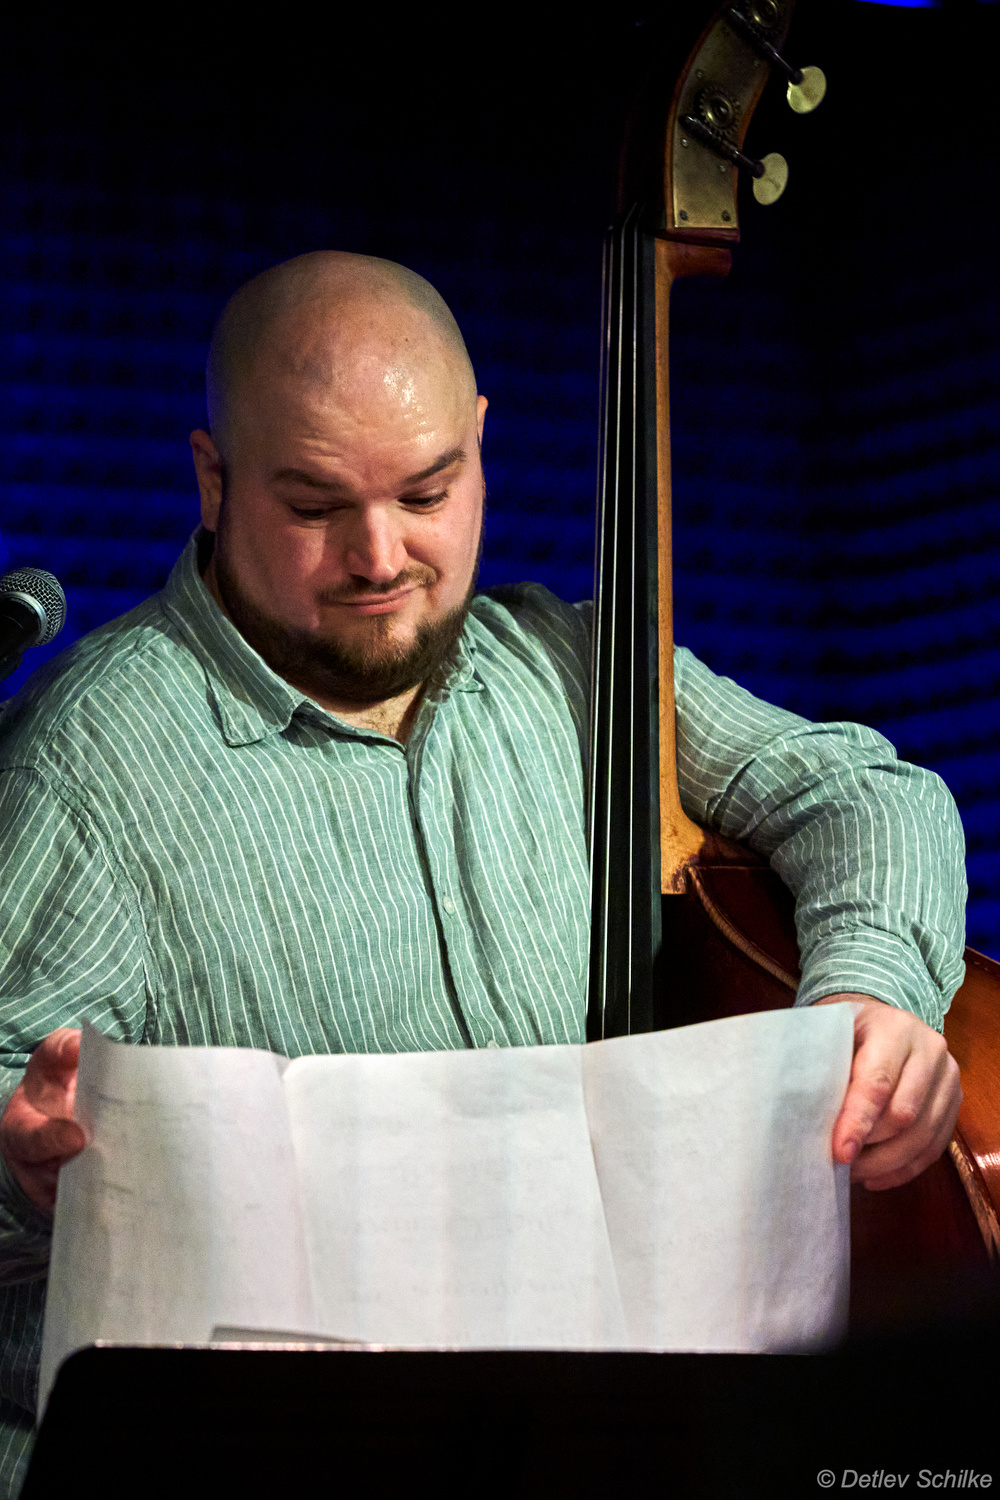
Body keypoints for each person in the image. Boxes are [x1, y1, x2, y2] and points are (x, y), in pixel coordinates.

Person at [0, 252, 965, 1494]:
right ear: (213, 479)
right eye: (314, 505)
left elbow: (863, 794)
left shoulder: (575, 670)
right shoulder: (89, 762)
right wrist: (18, 1158)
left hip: (584, 1452)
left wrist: (872, 993)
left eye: (426, 491)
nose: (378, 554)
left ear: (480, 450)